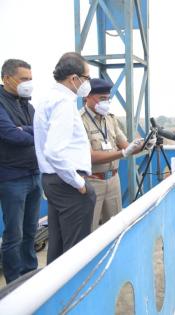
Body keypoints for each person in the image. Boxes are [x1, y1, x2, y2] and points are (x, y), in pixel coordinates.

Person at [33, 52, 96, 264]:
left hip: (54, 180)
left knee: (58, 247)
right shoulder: (63, 103)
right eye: (86, 78)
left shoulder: (48, 99)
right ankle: (75, 296)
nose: (87, 83)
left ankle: (57, 295)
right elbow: (54, 151)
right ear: (73, 79)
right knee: (75, 254)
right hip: (67, 182)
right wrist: (78, 182)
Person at [80, 78, 153, 230]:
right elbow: (90, 156)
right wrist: (122, 153)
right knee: (89, 229)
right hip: (92, 181)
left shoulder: (110, 119)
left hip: (113, 180)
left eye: (108, 99)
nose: (105, 102)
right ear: (87, 97)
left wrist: (145, 145)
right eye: (102, 98)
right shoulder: (80, 121)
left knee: (114, 228)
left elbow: (126, 146)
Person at [0, 59, 41, 283]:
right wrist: (28, 132)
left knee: (31, 231)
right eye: (24, 79)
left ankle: (30, 275)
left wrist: (25, 129)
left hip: (34, 175)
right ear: (7, 78)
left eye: (30, 79)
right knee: (14, 235)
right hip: (12, 179)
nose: (29, 84)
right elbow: (11, 135)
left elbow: (41, 132)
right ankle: (14, 283)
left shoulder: (28, 104)